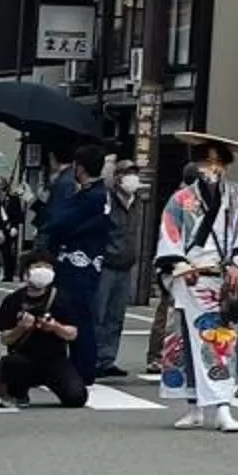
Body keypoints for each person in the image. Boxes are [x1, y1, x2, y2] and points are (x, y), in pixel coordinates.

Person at [155, 132, 238, 432]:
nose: (211, 167)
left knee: (220, 342)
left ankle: (222, 407)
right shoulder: (181, 199)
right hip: (189, 277)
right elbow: (169, 235)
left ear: (226, 165)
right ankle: (193, 405)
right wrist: (178, 264)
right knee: (184, 341)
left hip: (222, 276)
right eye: (205, 161)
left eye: (217, 162)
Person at [42, 143, 114, 382]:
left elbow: (61, 223)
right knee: (81, 314)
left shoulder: (91, 196)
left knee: (76, 314)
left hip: (77, 263)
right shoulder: (98, 194)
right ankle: (81, 366)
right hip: (89, 262)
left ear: (79, 167)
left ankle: (82, 368)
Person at [0, 260, 89, 408]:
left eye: (48, 267)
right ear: (26, 273)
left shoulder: (61, 298)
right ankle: (16, 392)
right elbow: (5, 339)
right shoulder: (12, 300)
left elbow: (72, 334)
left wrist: (55, 327)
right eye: (37, 266)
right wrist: (21, 328)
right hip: (23, 357)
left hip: (55, 359)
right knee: (11, 364)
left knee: (76, 398)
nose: (43, 270)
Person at [97, 159, 150, 377]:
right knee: (98, 314)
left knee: (116, 316)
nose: (132, 178)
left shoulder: (136, 201)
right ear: (117, 176)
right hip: (106, 263)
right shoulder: (106, 198)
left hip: (125, 264)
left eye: (134, 173)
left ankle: (107, 359)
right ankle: (92, 358)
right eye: (127, 173)